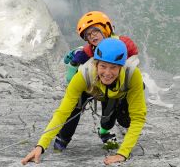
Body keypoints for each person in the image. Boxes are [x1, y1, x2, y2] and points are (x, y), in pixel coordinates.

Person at [24, 38, 147, 166]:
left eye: (113, 67)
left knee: (123, 121)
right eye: (103, 66)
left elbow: (138, 118)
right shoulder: (83, 75)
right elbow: (62, 113)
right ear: (96, 64)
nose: (107, 72)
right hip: (92, 88)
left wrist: (122, 154)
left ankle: (106, 126)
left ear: (121, 67)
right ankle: (62, 139)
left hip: (116, 93)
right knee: (72, 112)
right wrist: (41, 146)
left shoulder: (132, 75)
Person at [58, 11, 140, 150]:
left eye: (95, 31)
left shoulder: (123, 43)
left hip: (112, 84)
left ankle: (104, 130)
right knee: (75, 105)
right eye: (88, 35)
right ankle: (62, 139)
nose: (92, 36)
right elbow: (79, 59)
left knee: (118, 116)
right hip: (94, 84)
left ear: (106, 29)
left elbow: (131, 62)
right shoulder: (90, 49)